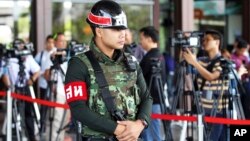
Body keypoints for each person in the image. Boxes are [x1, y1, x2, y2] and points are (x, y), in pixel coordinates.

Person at [64, 0, 153, 141]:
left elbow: (147, 97)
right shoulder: (79, 64)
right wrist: (119, 130)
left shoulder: (131, 62)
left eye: (123, 28)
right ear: (99, 31)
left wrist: (140, 123)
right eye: (116, 29)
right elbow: (78, 109)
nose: (122, 34)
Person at [183, 30, 229, 141]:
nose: (204, 42)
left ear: (217, 42)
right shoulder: (202, 61)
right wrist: (186, 45)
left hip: (217, 111)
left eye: (208, 40)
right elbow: (185, 61)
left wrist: (194, 62)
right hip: (203, 110)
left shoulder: (223, 61)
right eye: (203, 40)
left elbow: (212, 76)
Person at [7, 39, 40, 141]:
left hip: (26, 88)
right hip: (13, 89)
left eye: (21, 45)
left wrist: (32, 79)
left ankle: (31, 136)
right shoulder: (9, 58)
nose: (20, 47)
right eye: (18, 45)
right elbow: (4, 73)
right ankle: (14, 135)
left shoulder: (28, 57)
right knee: (12, 114)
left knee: (28, 114)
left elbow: (37, 70)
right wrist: (9, 85)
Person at [139, 26, 166, 141]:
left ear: (149, 38)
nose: (140, 42)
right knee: (153, 134)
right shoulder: (160, 55)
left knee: (151, 135)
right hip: (157, 101)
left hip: (150, 103)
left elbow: (138, 79)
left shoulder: (149, 57)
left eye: (142, 38)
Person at [43, 32, 69, 141]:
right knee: (56, 121)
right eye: (60, 41)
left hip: (67, 92)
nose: (62, 43)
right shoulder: (51, 55)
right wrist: (54, 63)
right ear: (56, 42)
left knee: (64, 122)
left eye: (64, 41)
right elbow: (46, 75)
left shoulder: (69, 55)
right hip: (56, 93)